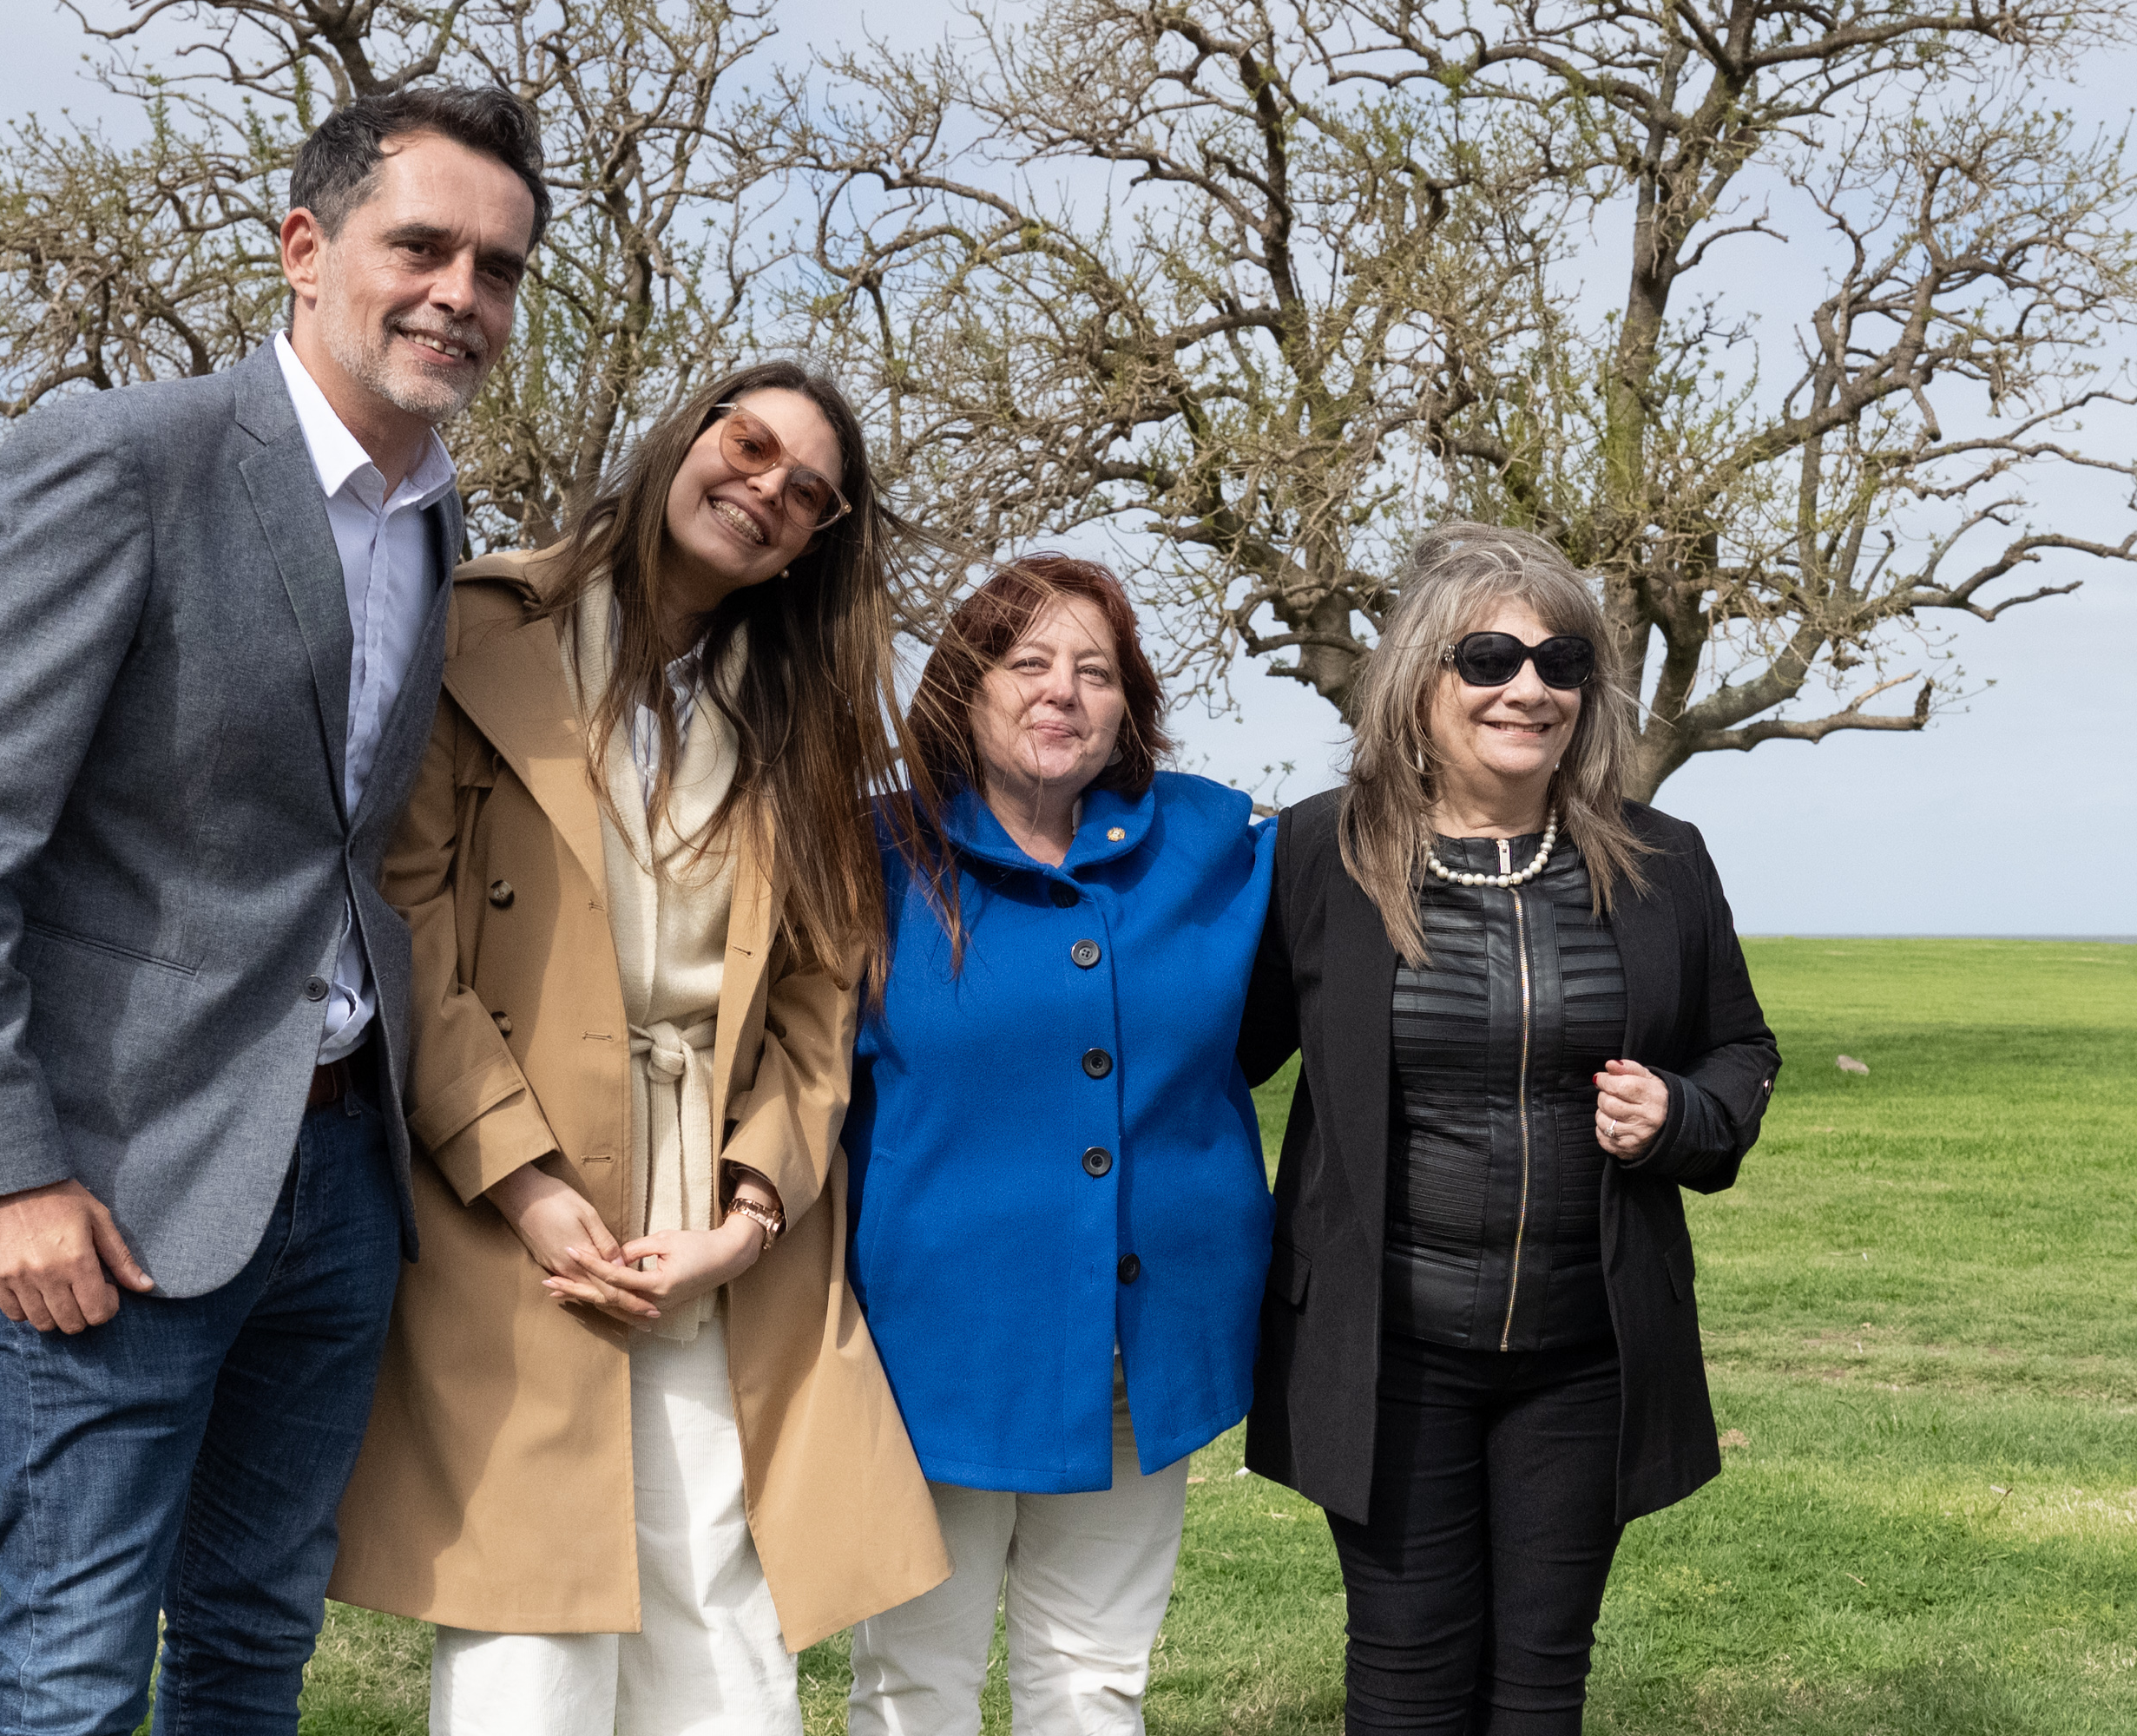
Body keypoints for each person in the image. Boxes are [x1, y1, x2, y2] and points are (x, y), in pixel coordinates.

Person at [0, 87, 549, 1734]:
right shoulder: (127, 458)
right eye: (423, 245)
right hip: (105, 1180)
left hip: (334, 1174)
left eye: (501, 267)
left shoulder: (434, 518)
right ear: (307, 252)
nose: (464, 291)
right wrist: (9, 1170)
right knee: (80, 1663)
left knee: (252, 1639)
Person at [325, 362, 951, 1734]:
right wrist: (528, 1187)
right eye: (748, 444)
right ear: (685, 432)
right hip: (514, 1193)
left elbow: (815, 994)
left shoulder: (802, 713)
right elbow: (407, 927)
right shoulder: (484, 625)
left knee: (721, 1628)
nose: (767, 490)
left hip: (716, 1227)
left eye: (809, 494)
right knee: (527, 1643)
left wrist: (748, 1214)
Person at [1238, 522, 1782, 1733]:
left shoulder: (1661, 861)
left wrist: (1683, 1114)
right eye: (1487, 657)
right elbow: (1218, 1052)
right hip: (1388, 1353)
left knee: (1541, 1686)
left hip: (1588, 1354)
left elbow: (1742, 1052)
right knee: (1406, 1677)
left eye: (1562, 663)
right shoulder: (1322, 854)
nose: (1527, 688)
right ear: (1418, 676)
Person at [841, 556, 1278, 1736]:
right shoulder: (870, 852)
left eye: (1095, 671)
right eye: (1025, 663)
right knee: (914, 1679)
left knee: (1093, 1675)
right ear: (963, 691)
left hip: (1147, 1341)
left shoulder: (1214, 842)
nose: (1061, 692)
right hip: (934, 1346)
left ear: (1130, 704)